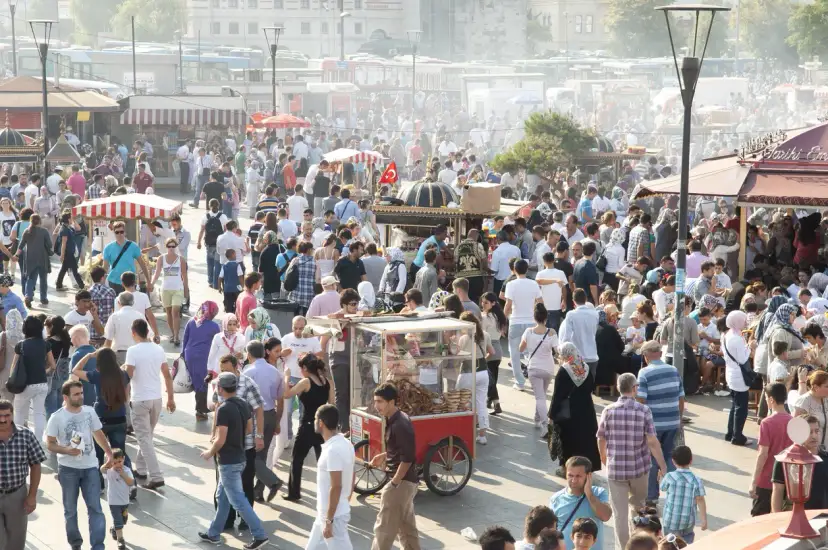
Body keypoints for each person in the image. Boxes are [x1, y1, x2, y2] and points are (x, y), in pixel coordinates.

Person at [597, 373, 669, 550]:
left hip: (616, 470)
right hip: (639, 469)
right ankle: (638, 544)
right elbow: (652, 441)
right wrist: (663, 466)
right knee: (638, 508)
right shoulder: (644, 411)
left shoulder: (608, 411)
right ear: (635, 388)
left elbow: (601, 438)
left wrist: (604, 459)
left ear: (619, 388)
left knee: (619, 515)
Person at [199, 372, 269, 550]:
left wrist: (209, 452)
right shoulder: (243, 404)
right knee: (222, 498)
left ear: (220, 388)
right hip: (240, 457)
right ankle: (214, 533)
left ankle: (260, 535)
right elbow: (249, 429)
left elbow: (220, 439)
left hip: (228, 461)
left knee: (238, 501)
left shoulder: (223, 409)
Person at [45, 380, 114, 550]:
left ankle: (98, 546)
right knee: (70, 510)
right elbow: (50, 443)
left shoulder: (90, 412)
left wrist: (109, 452)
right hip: (68, 469)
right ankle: (75, 543)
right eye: (76, 394)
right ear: (65, 397)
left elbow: (98, 433)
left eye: (81, 393)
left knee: (95, 508)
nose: (80, 396)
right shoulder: (57, 417)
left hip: (90, 468)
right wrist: (66, 450)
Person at [124, 318, 175, 490]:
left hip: (140, 399)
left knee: (144, 438)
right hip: (156, 399)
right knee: (147, 436)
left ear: (133, 333)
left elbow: (128, 375)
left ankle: (156, 476)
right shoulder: (158, 349)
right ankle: (141, 468)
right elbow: (167, 375)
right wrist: (171, 398)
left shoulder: (132, 351)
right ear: (147, 331)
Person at [370, 383, 421, 550]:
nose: (376, 406)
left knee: (383, 531)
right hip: (405, 483)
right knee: (407, 530)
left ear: (391, 402)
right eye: (375, 401)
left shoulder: (400, 424)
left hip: (401, 483)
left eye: (380, 402)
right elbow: (401, 450)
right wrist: (384, 456)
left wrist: (394, 483)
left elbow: (408, 458)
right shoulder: (395, 419)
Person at [637, 340, 684, 505]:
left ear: (645, 356)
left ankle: (651, 497)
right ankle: (674, 493)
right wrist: (679, 418)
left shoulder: (644, 373)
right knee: (670, 457)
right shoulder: (674, 370)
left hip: (653, 425)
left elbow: (641, 400)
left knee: (651, 459)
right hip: (672, 421)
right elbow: (681, 397)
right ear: (661, 353)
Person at [282, 354, 334, 501]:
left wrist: (287, 377)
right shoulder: (326, 382)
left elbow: (286, 394)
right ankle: (328, 492)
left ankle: (294, 493)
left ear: (305, 368)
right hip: (323, 427)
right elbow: (332, 404)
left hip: (307, 426)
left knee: (297, 459)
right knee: (323, 462)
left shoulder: (306, 382)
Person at [305, 403, 356, 550]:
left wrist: (329, 520)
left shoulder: (332, 450)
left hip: (333, 518)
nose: (314, 422)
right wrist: (345, 499)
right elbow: (352, 473)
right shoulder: (346, 443)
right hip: (326, 514)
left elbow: (336, 486)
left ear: (321, 423)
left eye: (316, 419)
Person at [0, 398, 47, 550]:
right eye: (0, 416)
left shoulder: (25, 435)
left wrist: (32, 495)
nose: (3, 420)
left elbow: (36, 465)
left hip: (17, 496)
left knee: (16, 541)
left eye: (7, 415)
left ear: (12, 415)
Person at [242, 340, 284, 503]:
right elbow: (280, 399)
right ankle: (258, 491)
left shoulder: (248, 372)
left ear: (248, 354)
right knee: (262, 454)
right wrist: (277, 421)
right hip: (270, 415)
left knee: (249, 454)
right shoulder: (275, 372)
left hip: (253, 417)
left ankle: (272, 481)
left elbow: (243, 398)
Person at [549, 456, 611, 550]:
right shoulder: (556, 499)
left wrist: (589, 494)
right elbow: (551, 532)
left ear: (588, 476)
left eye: (578, 476)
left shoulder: (599, 493)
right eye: (570, 475)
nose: (574, 480)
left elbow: (605, 516)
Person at [771, 414, 828, 512]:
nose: (814, 436)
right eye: (809, 432)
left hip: (822, 516)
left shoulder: (825, 458)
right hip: (794, 515)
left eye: (817, 431)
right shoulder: (784, 459)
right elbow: (778, 491)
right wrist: (776, 516)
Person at [12, 315, 55, 440]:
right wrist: (44, 371)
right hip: (42, 383)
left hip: (24, 384)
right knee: (39, 413)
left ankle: (18, 439)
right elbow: (53, 365)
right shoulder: (45, 344)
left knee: (19, 412)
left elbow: (14, 367)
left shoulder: (21, 345)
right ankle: (38, 441)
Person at [519, 304, 558, 436]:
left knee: (540, 397)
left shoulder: (528, 331)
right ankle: (537, 419)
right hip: (548, 369)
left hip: (534, 368)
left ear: (534, 317)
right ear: (546, 317)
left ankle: (545, 425)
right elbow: (557, 350)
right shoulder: (552, 332)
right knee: (541, 395)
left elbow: (521, 348)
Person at [505, 259, 542, 391]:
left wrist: (503, 320)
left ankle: (519, 382)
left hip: (515, 321)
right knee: (532, 352)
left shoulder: (511, 284)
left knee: (514, 354)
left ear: (514, 270)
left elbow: (508, 305)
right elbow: (540, 302)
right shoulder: (533, 284)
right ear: (527, 270)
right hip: (531, 322)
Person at [659, 445, 707, 544]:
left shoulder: (669, 477)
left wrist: (660, 477)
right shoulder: (696, 480)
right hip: (687, 522)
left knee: (669, 545)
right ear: (691, 460)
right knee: (686, 544)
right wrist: (703, 520)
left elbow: (662, 487)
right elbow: (700, 500)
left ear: (673, 461)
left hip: (670, 521)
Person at [182, 301, 221, 419]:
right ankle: (200, 410)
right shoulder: (214, 326)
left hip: (189, 355)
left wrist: (183, 354)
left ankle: (201, 408)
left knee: (197, 380)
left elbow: (185, 339)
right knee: (202, 382)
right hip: (203, 357)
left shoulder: (191, 322)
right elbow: (219, 343)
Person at [721, 310, 753, 446]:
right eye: (743, 320)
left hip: (731, 373)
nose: (746, 323)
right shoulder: (737, 338)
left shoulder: (727, 335)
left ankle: (731, 433)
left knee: (735, 406)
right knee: (741, 409)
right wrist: (750, 347)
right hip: (739, 376)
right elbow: (743, 358)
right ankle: (737, 436)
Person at [151, 237, 187, 345]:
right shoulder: (161, 258)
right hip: (165, 289)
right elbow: (157, 273)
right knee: (169, 313)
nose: (171, 248)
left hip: (178, 289)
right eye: (169, 246)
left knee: (175, 312)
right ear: (166, 247)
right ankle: (173, 333)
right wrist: (151, 283)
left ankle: (176, 336)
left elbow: (184, 276)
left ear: (176, 247)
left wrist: (186, 290)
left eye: (173, 246)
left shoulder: (181, 259)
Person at [559, 289, 600, 379]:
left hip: (577, 358)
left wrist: (562, 352)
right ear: (585, 299)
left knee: (576, 386)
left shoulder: (571, 314)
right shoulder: (595, 314)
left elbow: (566, 338)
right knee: (589, 386)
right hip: (592, 356)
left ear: (573, 301)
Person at [15, 214, 53, 307]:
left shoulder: (27, 231)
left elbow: (21, 245)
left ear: (30, 221)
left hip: (30, 259)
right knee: (43, 279)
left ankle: (28, 296)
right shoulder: (44, 231)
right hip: (42, 258)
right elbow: (50, 244)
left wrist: (16, 255)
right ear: (40, 221)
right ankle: (43, 298)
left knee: (31, 278)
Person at [101, 448, 133, 549]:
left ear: (123, 459)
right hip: (113, 502)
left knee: (123, 520)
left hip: (125, 501)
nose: (118, 464)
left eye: (120, 461)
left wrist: (123, 475)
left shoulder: (127, 470)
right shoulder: (109, 471)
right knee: (118, 521)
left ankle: (114, 529)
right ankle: (120, 539)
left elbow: (131, 482)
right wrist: (108, 463)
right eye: (114, 463)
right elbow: (101, 469)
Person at [481, 292, 507, 415]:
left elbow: (481, 334)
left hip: (489, 350)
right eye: (482, 302)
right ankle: (489, 401)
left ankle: (496, 404)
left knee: (490, 381)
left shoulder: (486, 318)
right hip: (498, 351)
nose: (483, 304)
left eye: (486, 302)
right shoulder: (499, 317)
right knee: (493, 380)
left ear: (493, 303)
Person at [55, 211, 85, 290]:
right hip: (68, 253)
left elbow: (78, 229)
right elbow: (63, 243)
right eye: (71, 218)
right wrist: (62, 255)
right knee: (75, 270)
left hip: (70, 252)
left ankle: (59, 285)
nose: (72, 219)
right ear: (68, 219)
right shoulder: (64, 229)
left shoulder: (68, 227)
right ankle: (82, 286)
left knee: (64, 269)